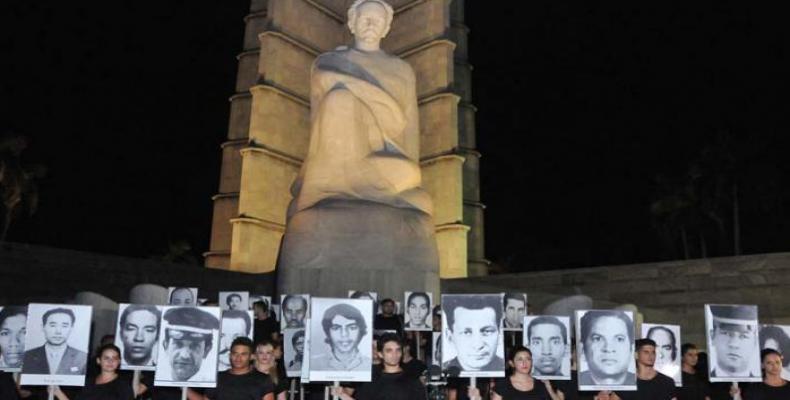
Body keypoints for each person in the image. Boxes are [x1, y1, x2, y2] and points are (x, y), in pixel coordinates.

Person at [332, 333, 427, 400]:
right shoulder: (372, 379)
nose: (395, 354)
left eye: (398, 350)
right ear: (380, 354)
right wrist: (342, 394)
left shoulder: (412, 379)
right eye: (389, 351)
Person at [442, 295, 505, 376]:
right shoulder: (444, 372)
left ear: (499, 334)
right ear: (450, 337)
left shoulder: (508, 370)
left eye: (487, 331)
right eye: (466, 332)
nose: (478, 345)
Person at [196, 337, 275, 400]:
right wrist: (186, 388)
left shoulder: (263, 379)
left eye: (243, 354)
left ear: (251, 356)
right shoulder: (218, 378)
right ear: (230, 355)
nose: (238, 358)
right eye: (235, 353)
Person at [50, 344, 137, 400]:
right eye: (106, 358)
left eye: (114, 358)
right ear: (98, 361)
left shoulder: (123, 387)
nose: (110, 362)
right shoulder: (88, 382)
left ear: (119, 361)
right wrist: (58, 392)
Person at [160, 307, 219, 382]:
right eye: (178, 344)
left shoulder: (210, 384)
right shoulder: (153, 382)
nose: (184, 355)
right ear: (166, 346)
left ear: (206, 351)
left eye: (194, 346)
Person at [22, 307, 87, 375]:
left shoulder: (82, 357)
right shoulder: (27, 356)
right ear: (43, 327)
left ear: (71, 328)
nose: (58, 331)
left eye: (64, 326)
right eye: (53, 325)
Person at [577, 310, 634, 386]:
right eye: (598, 339)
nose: (608, 349)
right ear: (583, 349)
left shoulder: (643, 384)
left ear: (631, 349)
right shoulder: (570, 387)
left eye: (619, 339)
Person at [311, 303, 370, 371]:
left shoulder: (369, 365)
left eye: (352, 327)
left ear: (360, 330)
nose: (344, 334)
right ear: (328, 332)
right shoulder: (314, 364)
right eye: (336, 328)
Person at [611, 338, 677, 400]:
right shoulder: (626, 382)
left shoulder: (667, 382)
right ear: (636, 355)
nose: (651, 356)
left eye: (653, 352)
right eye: (646, 352)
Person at [491, 345, 564, 400]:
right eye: (520, 359)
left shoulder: (541, 384)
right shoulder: (503, 385)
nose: (524, 363)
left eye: (528, 359)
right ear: (511, 363)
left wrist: (549, 389)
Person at [708, 305, 760, 379]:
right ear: (712, 336)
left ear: (755, 342)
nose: (734, 344)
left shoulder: (761, 386)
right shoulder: (701, 383)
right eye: (726, 333)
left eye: (743, 336)